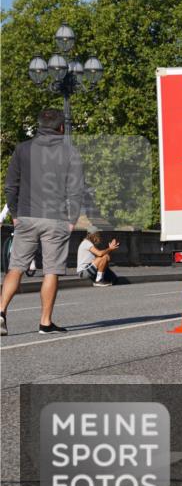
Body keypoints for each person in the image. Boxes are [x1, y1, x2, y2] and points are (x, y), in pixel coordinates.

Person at [1, 109, 85, 336]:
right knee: (51, 271)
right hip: (55, 219)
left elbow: (11, 185)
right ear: (60, 128)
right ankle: (45, 322)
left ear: (39, 126)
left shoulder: (23, 149)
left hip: (26, 216)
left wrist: (16, 214)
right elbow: (76, 190)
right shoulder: (70, 153)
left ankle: (0, 313)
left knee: (16, 267)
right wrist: (72, 219)